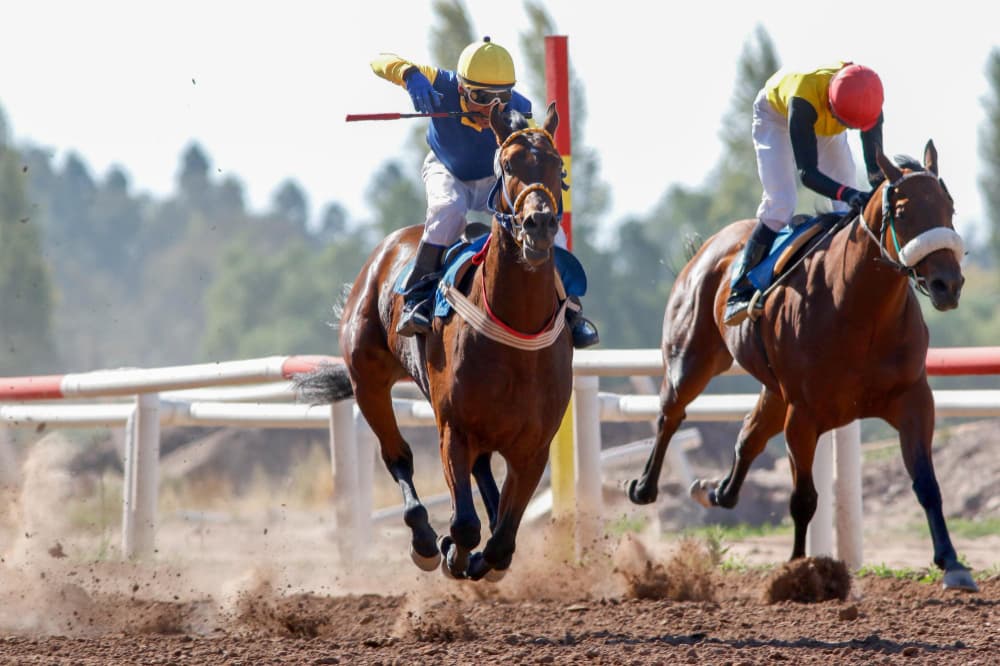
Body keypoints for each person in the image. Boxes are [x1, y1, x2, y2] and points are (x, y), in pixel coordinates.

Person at [370, 36, 600, 348]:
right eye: (481, 96)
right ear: (462, 88)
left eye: (501, 96)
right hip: (447, 168)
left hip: (494, 175)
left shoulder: (520, 111)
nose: (493, 106)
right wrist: (410, 74)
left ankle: (570, 308)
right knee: (447, 211)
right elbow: (379, 60)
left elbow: (531, 156)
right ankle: (418, 297)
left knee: (548, 225)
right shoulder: (442, 82)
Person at [724, 62, 885, 326]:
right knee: (780, 205)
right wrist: (847, 192)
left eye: (850, 125)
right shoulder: (803, 100)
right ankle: (739, 290)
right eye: (842, 120)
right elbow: (808, 174)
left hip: (823, 115)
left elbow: (875, 172)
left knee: (847, 212)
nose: (843, 125)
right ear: (832, 106)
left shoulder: (868, 102)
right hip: (775, 115)